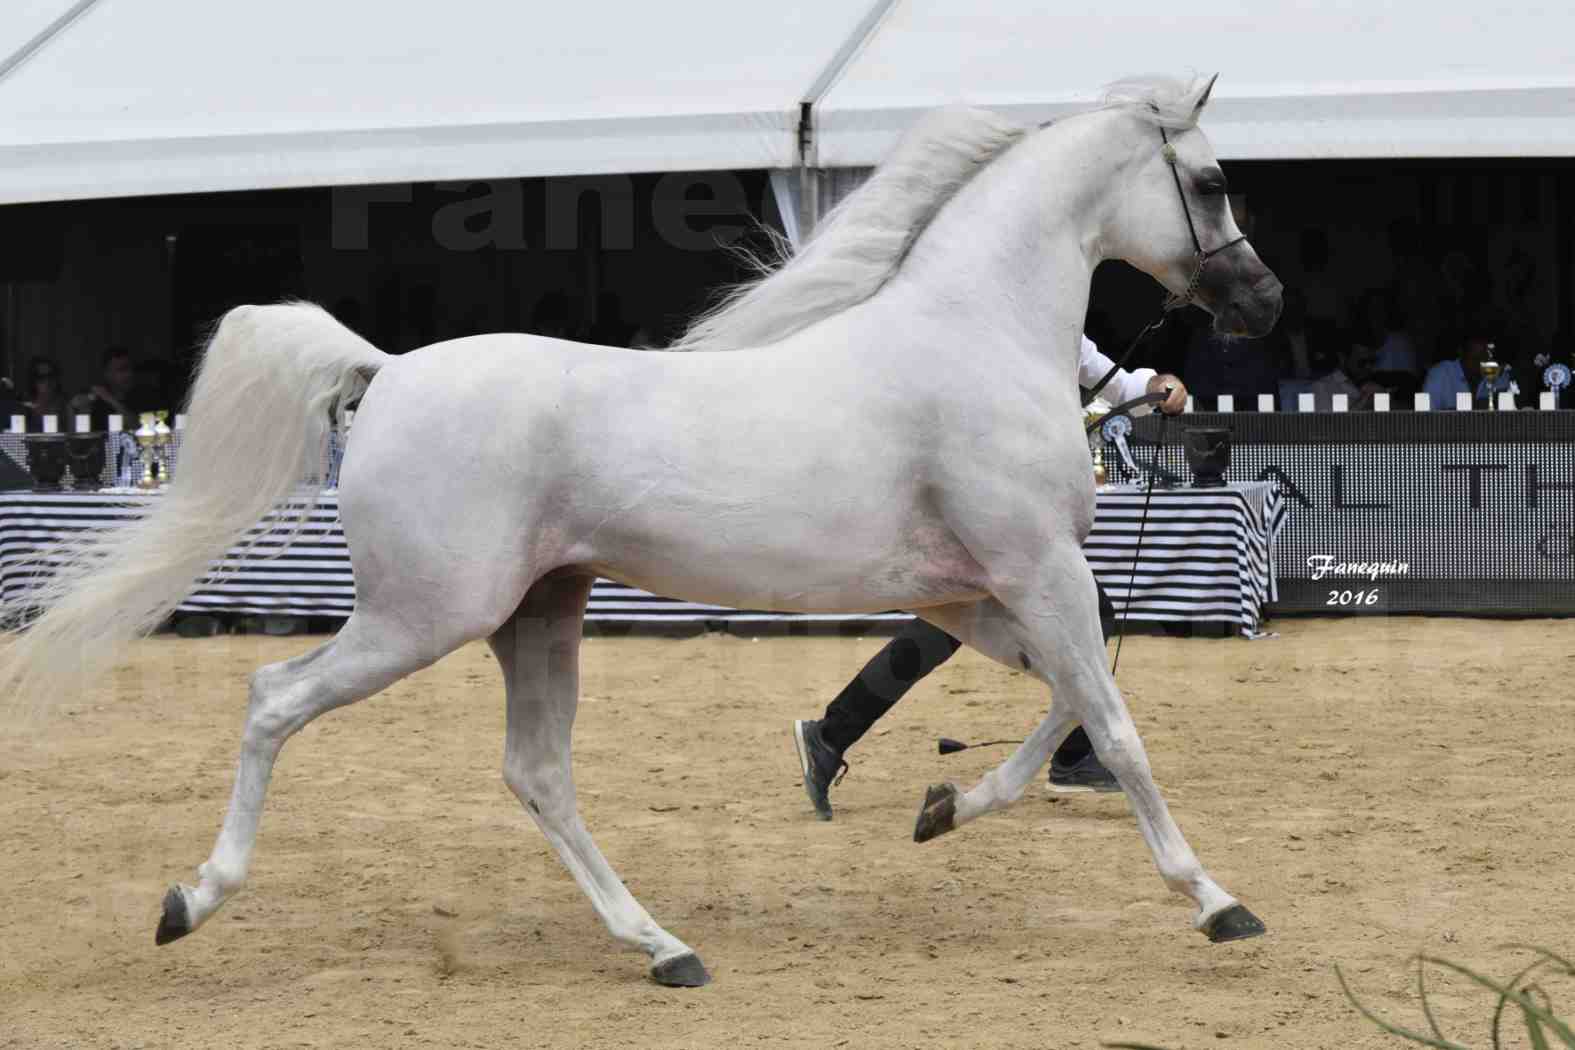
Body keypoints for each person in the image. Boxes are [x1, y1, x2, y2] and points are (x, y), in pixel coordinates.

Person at [790, 334, 1188, 820]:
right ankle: (1073, 754)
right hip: (973, 514)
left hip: (1003, 518)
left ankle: (829, 735)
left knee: (940, 634)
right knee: (1083, 613)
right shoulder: (973, 327)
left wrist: (1160, 385)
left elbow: (1121, 385)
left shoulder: (1055, 331)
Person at [21, 355, 70, 430]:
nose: (47, 382)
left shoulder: (66, 406)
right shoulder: (25, 409)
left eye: (50, 376)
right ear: (33, 381)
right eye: (41, 377)